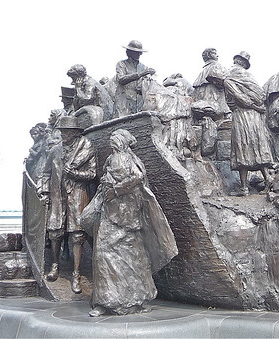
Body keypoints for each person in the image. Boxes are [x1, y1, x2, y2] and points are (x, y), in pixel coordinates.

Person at [81, 129, 178, 317]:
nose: (112, 141)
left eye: (115, 138)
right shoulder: (110, 159)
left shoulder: (132, 161)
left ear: (123, 142)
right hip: (109, 214)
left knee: (134, 258)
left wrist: (117, 190)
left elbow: (138, 179)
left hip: (128, 216)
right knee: (102, 256)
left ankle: (138, 299)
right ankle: (104, 301)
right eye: (112, 139)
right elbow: (105, 181)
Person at [39, 116, 96, 294]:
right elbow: (45, 173)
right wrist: (43, 191)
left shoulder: (87, 148)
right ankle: (55, 265)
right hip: (57, 195)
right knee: (55, 233)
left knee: (77, 236)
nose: (63, 136)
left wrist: (76, 174)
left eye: (65, 133)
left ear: (74, 133)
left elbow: (93, 173)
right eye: (61, 132)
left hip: (78, 194)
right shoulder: (55, 151)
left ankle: (76, 274)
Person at [208, 51, 274, 196]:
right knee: (256, 146)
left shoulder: (229, 77)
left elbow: (240, 98)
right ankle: (267, 178)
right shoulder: (249, 76)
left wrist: (252, 106)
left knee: (241, 148)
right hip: (255, 117)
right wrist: (258, 108)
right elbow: (261, 95)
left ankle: (244, 188)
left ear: (236, 60)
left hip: (242, 115)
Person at [113, 40, 155, 117]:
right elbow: (121, 79)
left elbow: (147, 82)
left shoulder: (143, 67)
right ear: (129, 52)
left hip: (138, 101)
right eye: (136, 52)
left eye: (140, 52)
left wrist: (150, 76)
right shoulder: (122, 64)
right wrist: (139, 75)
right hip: (124, 99)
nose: (139, 54)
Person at [191, 48, 231, 121]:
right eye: (214, 53)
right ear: (209, 55)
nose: (217, 55)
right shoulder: (216, 66)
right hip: (214, 103)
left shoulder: (204, 70)